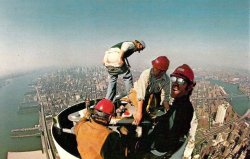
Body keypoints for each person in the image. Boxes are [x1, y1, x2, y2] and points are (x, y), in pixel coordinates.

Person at [140, 64, 196, 159]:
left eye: (181, 81)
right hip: (160, 144)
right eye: (174, 79)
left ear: (189, 87)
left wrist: (148, 144)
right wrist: (158, 119)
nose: (175, 84)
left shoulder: (183, 109)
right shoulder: (179, 103)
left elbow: (173, 137)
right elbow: (170, 120)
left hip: (159, 149)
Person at [128, 56, 171, 125]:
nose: (153, 69)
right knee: (140, 112)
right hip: (137, 93)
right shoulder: (146, 74)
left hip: (150, 95)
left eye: (156, 68)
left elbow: (165, 98)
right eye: (153, 67)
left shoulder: (166, 80)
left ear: (162, 71)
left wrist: (169, 114)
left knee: (151, 112)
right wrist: (139, 113)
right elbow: (140, 95)